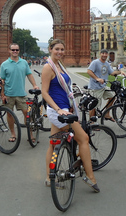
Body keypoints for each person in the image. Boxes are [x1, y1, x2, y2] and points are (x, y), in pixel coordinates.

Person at [42, 39, 99, 192]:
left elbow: (63, 86)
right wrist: (58, 109)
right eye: (57, 49)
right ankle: (89, 176)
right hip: (59, 111)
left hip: (64, 108)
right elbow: (45, 93)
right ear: (50, 49)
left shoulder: (59, 65)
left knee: (53, 144)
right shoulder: (48, 67)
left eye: (62, 49)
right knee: (84, 138)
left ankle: (49, 178)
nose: (59, 52)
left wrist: (73, 91)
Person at [0, 43, 39, 142]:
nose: (15, 51)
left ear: (19, 51)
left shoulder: (24, 63)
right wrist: (2, 95)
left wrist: (34, 85)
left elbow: (29, 75)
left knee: (27, 114)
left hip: (21, 93)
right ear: (9, 51)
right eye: (13, 50)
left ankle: (30, 134)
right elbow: (2, 81)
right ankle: (13, 134)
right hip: (9, 94)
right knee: (10, 114)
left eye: (17, 50)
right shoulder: (4, 64)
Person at [86, 49, 125, 117]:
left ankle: (107, 113)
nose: (104, 55)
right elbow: (89, 71)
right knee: (95, 105)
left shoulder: (106, 63)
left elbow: (112, 73)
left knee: (112, 97)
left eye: (106, 53)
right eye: (103, 53)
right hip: (95, 87)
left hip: (103, 86)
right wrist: (97, 78)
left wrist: (120, 72)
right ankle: (91, 122)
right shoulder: (95, 62)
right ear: (100, 54)